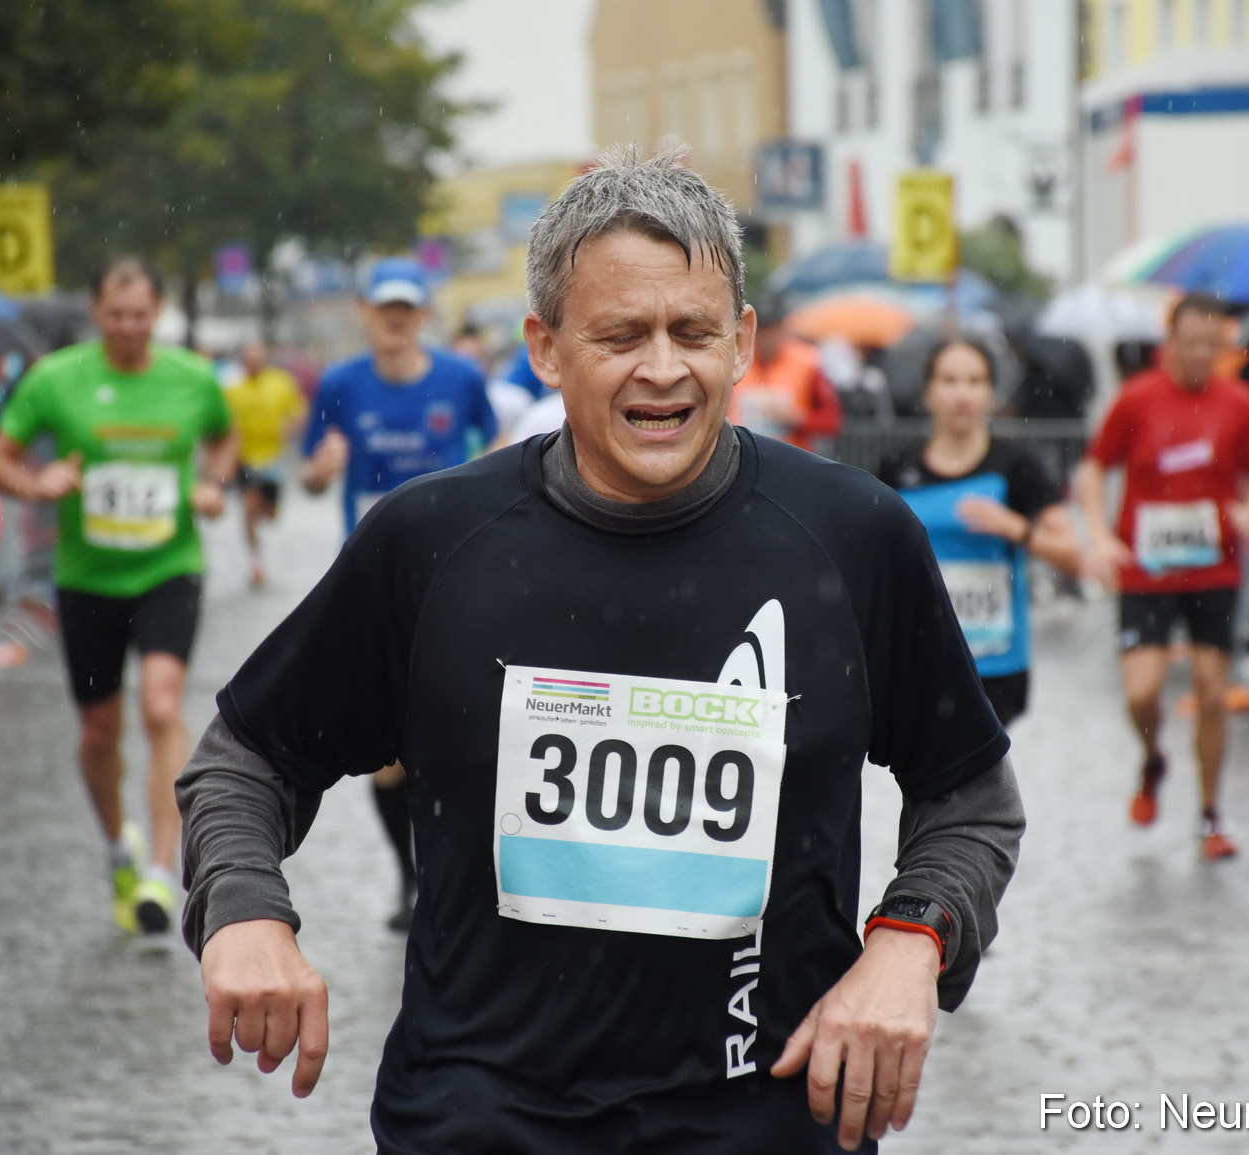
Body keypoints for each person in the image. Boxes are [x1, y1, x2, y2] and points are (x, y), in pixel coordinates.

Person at [179, 147, 1024, 1154]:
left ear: (744, 340)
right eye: (621, 335)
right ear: (544, 347)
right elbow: (247, 756)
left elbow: (969, 796)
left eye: (693, 332)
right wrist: (243, 911)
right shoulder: (432, 543)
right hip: (481, 1122)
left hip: (765, 1121)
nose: (662, 369)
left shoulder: (851, 537)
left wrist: (910, 938)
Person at [0, 256, 237, 934]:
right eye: (116, 315)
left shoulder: (190, 377)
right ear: (97, 313)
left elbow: (223, 436)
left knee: (161, 703)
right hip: (87, 577)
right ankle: (114, 844)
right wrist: (35, 484)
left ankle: (160, 867)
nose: (129, 327)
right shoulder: (57, 378)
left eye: (141, 315)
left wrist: (214, 484)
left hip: (168, 566)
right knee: (100, 729)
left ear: (157, 314)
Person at [297, 257, 500, 930]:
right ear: (364, 311)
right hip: (373, 583)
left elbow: (497, 448)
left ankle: (460, 874)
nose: (395, 318)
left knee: (455, 735)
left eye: (406, 307)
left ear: (423, 314)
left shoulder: (462, 378)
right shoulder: (340, 383)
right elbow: (311, 472)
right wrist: (321, 473)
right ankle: (411, 879)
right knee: (385, 756)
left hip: (455, 580)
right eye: (384, 306)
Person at [1073, 292, 1249, 861]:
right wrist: (1099, 532)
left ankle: (1211, 815)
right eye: (1191, 344)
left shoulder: (1241, 404)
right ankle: (1152, 757)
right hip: (1146, 572)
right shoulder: (1137, 400)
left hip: (1214, 568)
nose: (1201, 355)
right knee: (1142, 693)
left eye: (1213, 345)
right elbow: (1093, 468)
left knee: (1213, 694)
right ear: (1171, 341)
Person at [878, 337, 1081, 726]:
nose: (962, 393)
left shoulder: (1017, 464)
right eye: (950, 380)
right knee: (924, 780)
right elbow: (870, 554)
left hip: (995, 658)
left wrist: (1016, 528)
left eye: (975, 381)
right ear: (929, 391)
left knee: (976, 779)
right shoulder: (897, 466)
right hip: (920, 655)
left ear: (991, 393)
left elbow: (1072, 554)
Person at [223, 338, 306, 589]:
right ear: (243, 362)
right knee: (248, 509)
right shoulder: (233, 390)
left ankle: (263, 513)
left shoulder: (281, 383)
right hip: (245, 458)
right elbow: (224, 426)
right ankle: (256, 561)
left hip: (273, 459)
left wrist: (288, 429)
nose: (253, 365)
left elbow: (299, 412)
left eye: (258, 360)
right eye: (249, 361)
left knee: (270, 515)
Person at [731, 295, 843, 453]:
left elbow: (832, 420)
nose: (766, 336)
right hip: (742, 458)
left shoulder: (808, 361)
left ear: (784, 327)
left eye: (772, 328)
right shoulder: (734, 359)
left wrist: (798, 420)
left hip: (791, 459)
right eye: (761, 328)